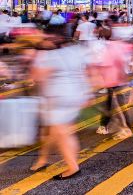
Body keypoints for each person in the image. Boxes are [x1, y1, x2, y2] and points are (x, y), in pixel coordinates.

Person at [30, 35, 91, 179]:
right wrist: (86, 92)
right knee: (56, 131)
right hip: (74, 96)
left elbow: (38, 77)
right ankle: (43, 159)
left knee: (63, 134)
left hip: (58, 99)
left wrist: (35, 61)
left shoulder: (50, 56)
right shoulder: (75, 51)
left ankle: (72, 167)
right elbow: (85, 72)